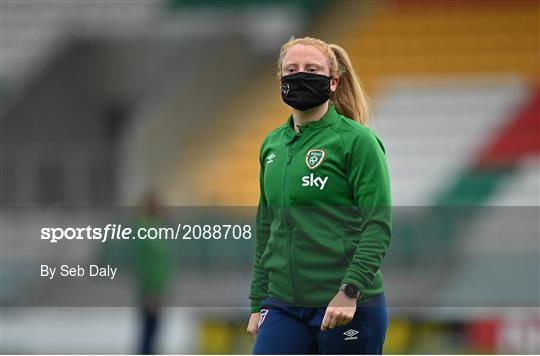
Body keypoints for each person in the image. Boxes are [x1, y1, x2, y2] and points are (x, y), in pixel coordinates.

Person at [246, 36, 392, 354]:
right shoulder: (272, 145)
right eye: (292, 69)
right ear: (281, 80)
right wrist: (258, 301)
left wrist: (349, 291)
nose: (300, 75)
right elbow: (266, 229)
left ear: (333, 81)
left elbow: (377, 225)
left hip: (345, 304)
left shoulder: (358, 142)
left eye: (312, 69)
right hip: (283, 304)